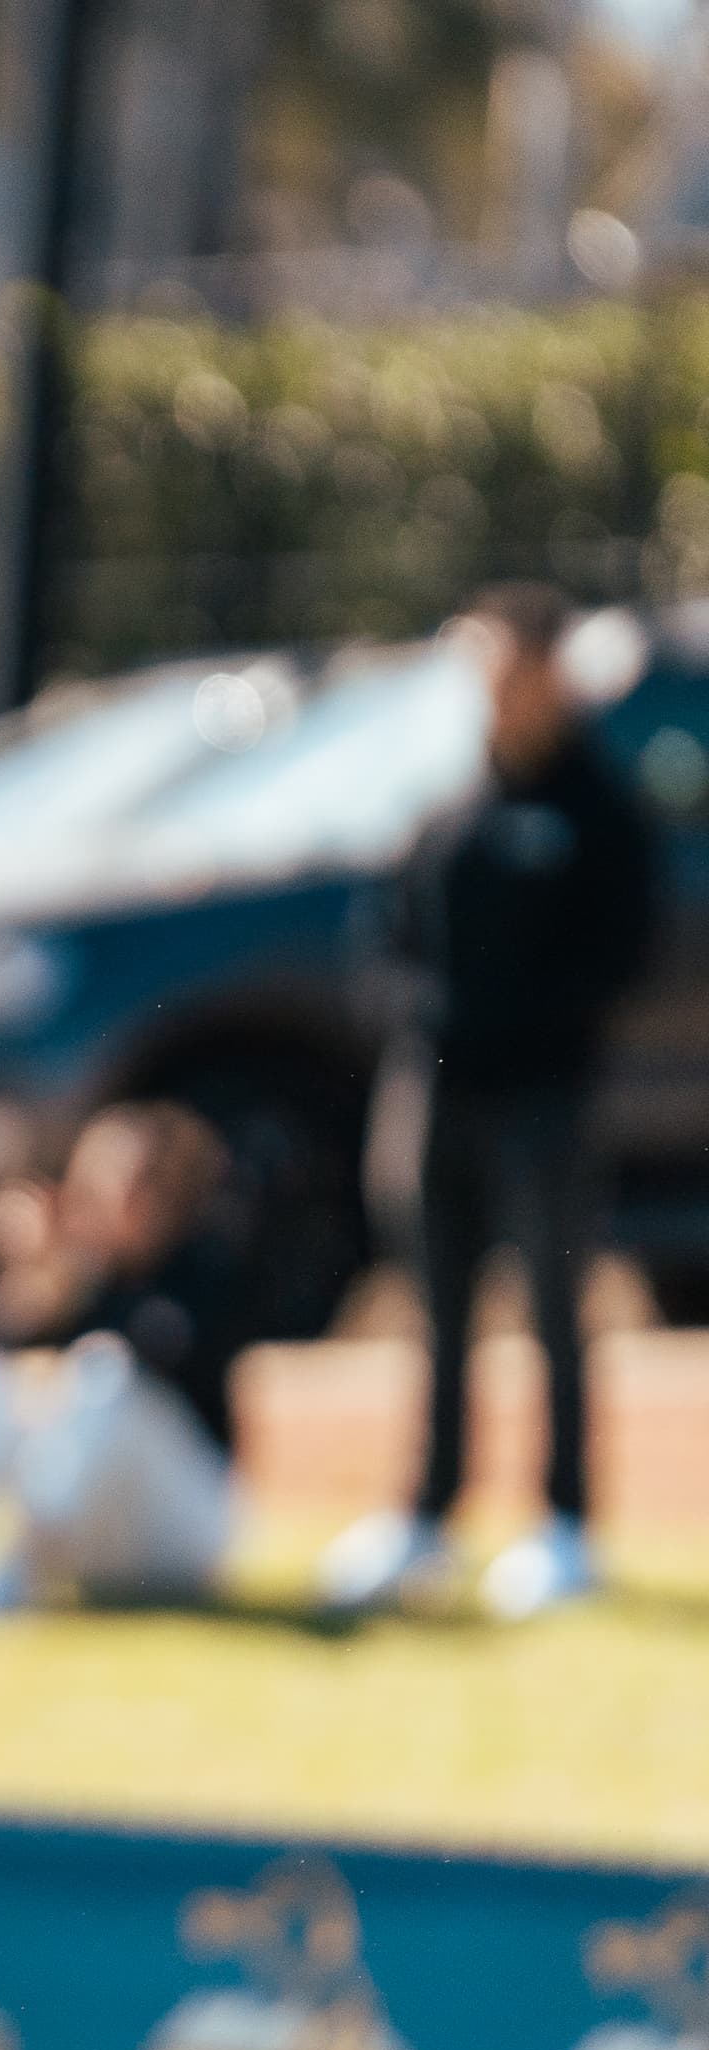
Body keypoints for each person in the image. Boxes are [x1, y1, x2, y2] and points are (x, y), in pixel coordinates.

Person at [321, 583, 661, 1623]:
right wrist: (421, 1014)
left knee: (556, 1312)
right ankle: (429, 1514)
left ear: (553, 673)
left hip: (544, 1104)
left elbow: (628, 955)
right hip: (435, 1099)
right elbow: (383, 941)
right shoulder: (448, 807)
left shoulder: (599, 811)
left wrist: (519, 1026)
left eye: (513, 669)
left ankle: (564, 1522)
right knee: (440, 1314)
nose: (497, 693)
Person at [0, 1101, 247, 1625]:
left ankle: (9, 1581)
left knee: (100, 1373)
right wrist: (28, 1288)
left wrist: (78, 1281)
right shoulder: (76, 1270)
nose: (121, 1197)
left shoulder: (206, 1257)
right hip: (94, 1537)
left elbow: (158, 1350)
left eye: (138, 1180)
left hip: (185, 1532)